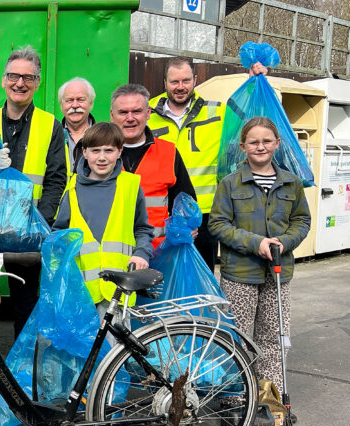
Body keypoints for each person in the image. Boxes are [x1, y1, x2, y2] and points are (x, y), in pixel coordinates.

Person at [0, 47, 68, 336]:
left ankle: (20, 378)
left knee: (26, 309)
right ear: (3, 80)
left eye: (28, 77)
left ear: (38, 82)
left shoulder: (50, 125)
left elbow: (57, 180)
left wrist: (39, 224)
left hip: (27, 240)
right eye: (13, 76)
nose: (20, 83)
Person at [209, 116, 310, 390]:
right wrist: (256, 243)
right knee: (237, 338)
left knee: (274, 338)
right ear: (243, 146)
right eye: (253, 142)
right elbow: (217, 223)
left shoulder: (292, 183)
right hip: (240, 274)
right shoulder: (230, 184)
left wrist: (285, 242)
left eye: (266, 141)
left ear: (277, 143)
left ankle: (270, 398)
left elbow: (302, 220)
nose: (260, 147)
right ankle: (237, 399)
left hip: (278, 274)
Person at [53, 122, 153, 323]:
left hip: (117, 289)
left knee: (115, 349)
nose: (101, 157)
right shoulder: (72, 189)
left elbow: (142, 228)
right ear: (84, 152)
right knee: (86, 350)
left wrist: (142, 253)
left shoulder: (130, 186)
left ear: (119, 152)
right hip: (81, 289)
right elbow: (59, 234)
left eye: (109, 150)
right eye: (95, 150)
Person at [148, 57, 228, 269]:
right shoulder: (146, 114)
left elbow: (252, 128)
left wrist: (256, 83)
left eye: (186, 80)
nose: (180, 87)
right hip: (161, 213)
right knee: (161, 277)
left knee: (202, 277)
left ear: (195, 80)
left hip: (204, 213)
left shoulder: (218, 112)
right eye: (174, 82)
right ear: (165, 82)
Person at [110, 83, 196, 249]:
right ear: (112, 116)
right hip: (109, 254)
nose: (130, 118)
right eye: (123, 112)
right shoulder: (97, 154)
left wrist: (184, 229)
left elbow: (186, 202)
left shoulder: (168, 152)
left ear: (148, 113)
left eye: (136, 111)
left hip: (158, 254)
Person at [58, 77, 96, 172]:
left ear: (90, 104)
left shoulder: (103, 136)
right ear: (61, 105)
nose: (75, 105)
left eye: (81, 99)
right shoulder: (52, 135)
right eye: (69, 100)